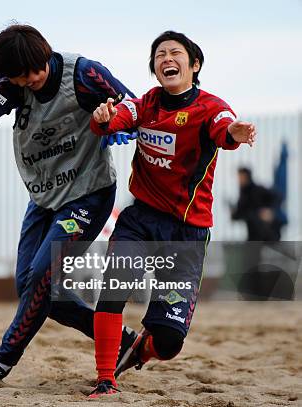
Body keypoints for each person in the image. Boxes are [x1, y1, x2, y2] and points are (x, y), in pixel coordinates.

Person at [0, 24, 135, 380]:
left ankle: (0, 363)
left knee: (41, 280)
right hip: (43, 198)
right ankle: (120, 339)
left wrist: (120, 124)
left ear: (45, 55)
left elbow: (131, 103)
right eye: (18, 76)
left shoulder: (83, 73)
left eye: (33, 71)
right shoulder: (15, 86)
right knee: (34, 289)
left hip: (87, 195)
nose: (29, 79)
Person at [88, 31, 256, 397]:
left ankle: (142, 348)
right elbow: (114, 120)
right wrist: (103, 119)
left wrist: (235, 132)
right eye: (160, 54)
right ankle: (105, 379)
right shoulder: (145, 104)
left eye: (175, 53)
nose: (167, 58)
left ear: (194, 65)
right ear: (155, 68)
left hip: (187, 233)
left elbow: (223, 128)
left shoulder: (211, 107)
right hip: (141, 219)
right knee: (114, 288)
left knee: (168, 343)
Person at [231, 167, 282, 242]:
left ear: (246, 177)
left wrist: (270, 210)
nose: (239, 180)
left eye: (241, 177)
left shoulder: (258, 190)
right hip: (253, 235)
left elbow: (277, 196)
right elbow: (240, 214)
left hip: (267, 233)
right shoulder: (243, 195)